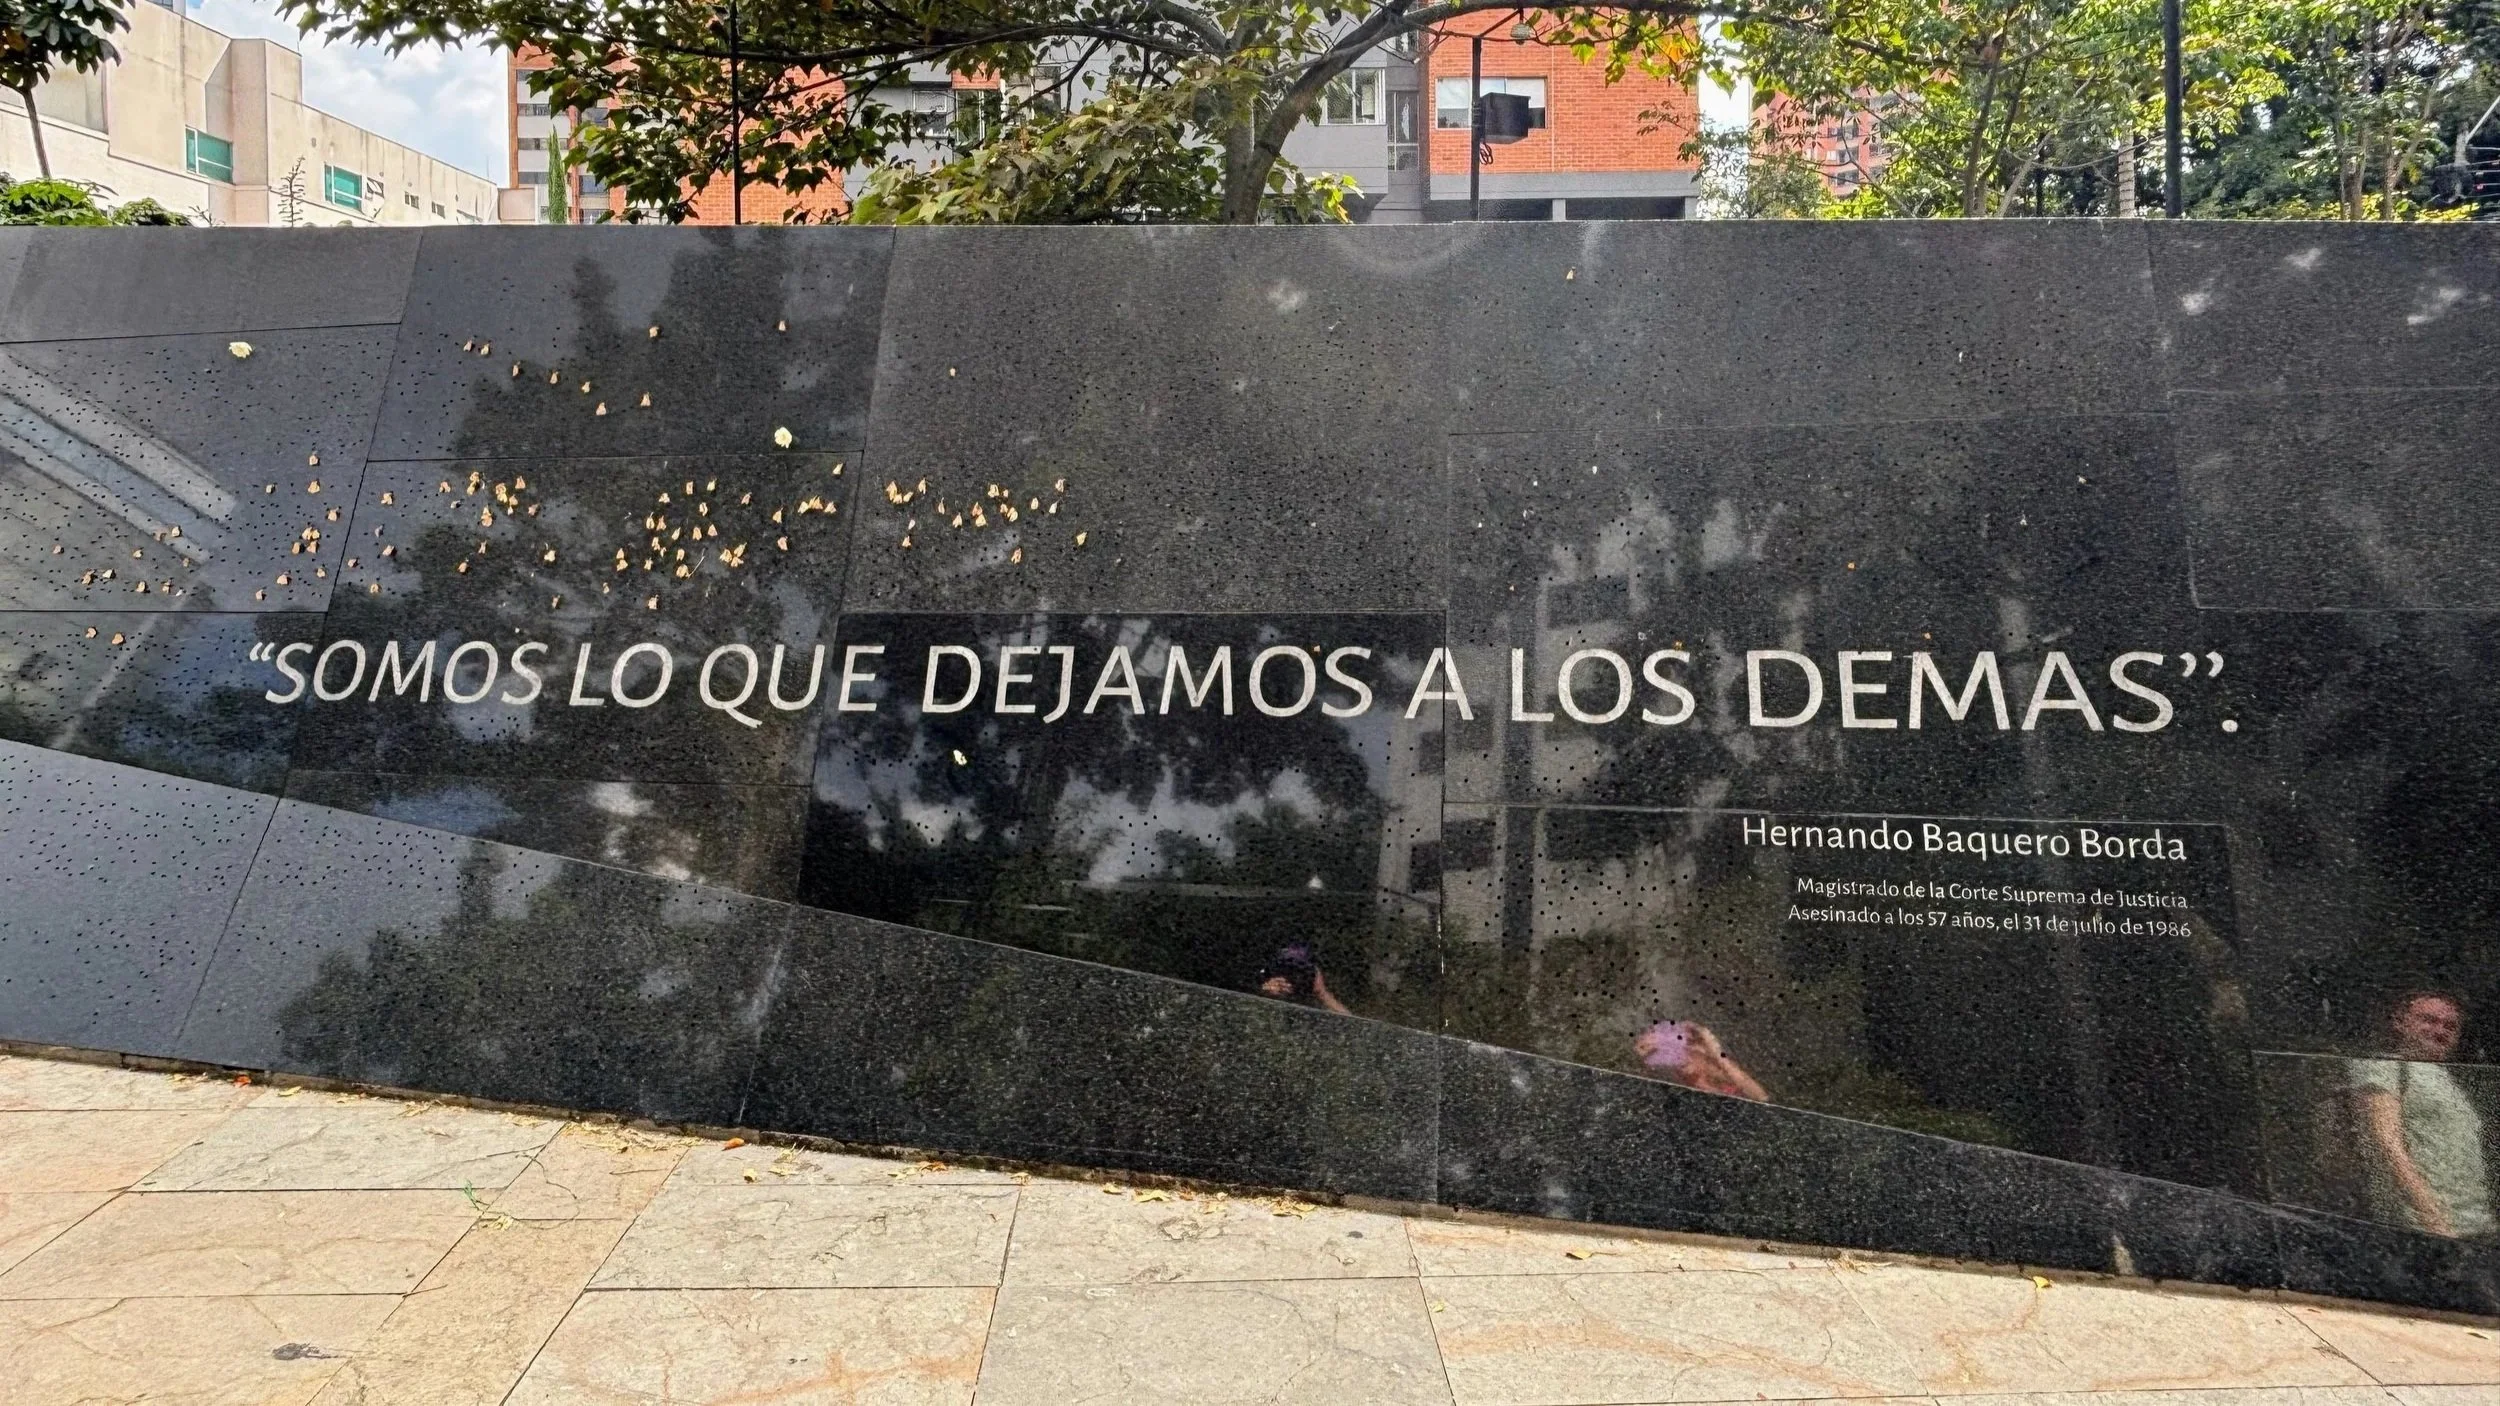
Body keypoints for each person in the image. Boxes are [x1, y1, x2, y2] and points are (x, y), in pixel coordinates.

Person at [2351, 990, 2495, 1239]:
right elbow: (2387, 1144)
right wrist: (2432, 1218)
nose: (2440, 1030)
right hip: (2424, 1229)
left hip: (2474, 1223)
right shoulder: (2384, 1068)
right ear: (2400, 1022)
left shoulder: (2449, 1079)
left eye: (2450, 1026)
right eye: (2428, 1020)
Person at [1634, 1019, 1769, 1102]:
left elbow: (1760, 1097)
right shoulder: (1682, 1081)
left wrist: (1717, 1054)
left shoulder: (1719, 1070)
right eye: (1671, 1058)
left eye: (1683, 1054)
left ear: (1699, 1049)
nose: (1681, 1061)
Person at [1255, 942, 1351, 1015]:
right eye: (1285, 969)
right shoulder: (1264, 982)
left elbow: (1349, 1021)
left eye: (1301, 970)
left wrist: (1321, 993)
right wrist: (1265, 994)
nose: (1292, 976)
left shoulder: (1313, 986)